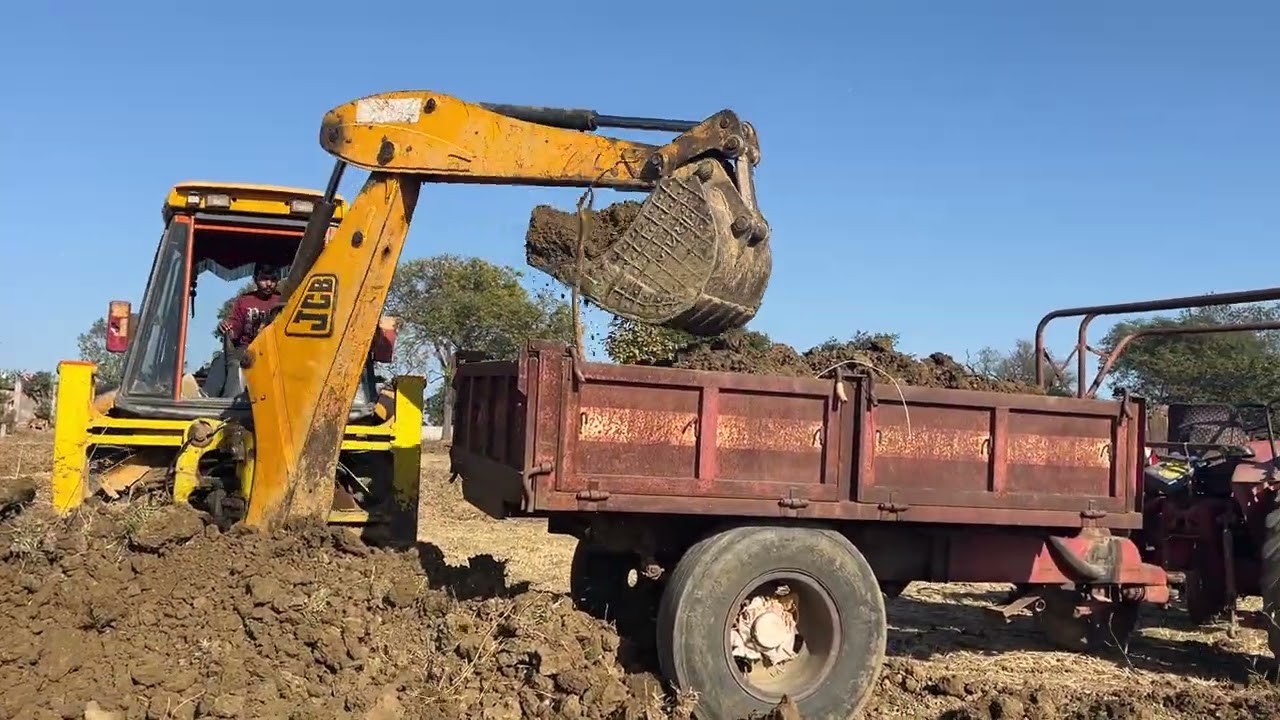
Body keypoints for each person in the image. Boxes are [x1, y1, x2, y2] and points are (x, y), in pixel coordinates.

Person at [219, 263, 283, 348]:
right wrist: (226, 328)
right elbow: (234, 327)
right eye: (264, 279)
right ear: (255, 279)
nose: (269, 284)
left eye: (273, 280)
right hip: (247, 350)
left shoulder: (283, 300)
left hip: (277, 348)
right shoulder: (244, 302)